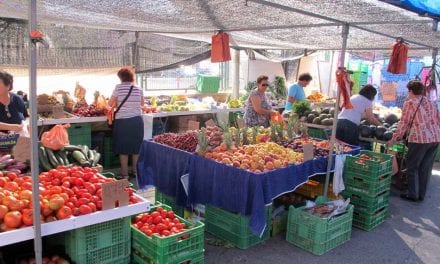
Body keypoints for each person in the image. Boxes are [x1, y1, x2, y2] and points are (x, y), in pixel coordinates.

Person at [387, 80, 440, 202]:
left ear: (410, 91)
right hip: (435, 138)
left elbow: (403, 123)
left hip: (419, 139)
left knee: (412, 166)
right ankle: (421, 195)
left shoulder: (410, 103)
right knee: (425, 168)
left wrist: (394, 139)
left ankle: (412, 195)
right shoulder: (432, 103)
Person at [109, 67, 145, 179]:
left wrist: (117, 103)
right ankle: (135, 172)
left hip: (123, 121)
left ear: (121, 78)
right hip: (137, 121)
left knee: (123, 149)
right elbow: (142, 104)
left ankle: (124, 174)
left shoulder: (118, 88)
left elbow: (110, 103)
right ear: (131, 77)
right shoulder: (139, 88)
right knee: (136, 148)